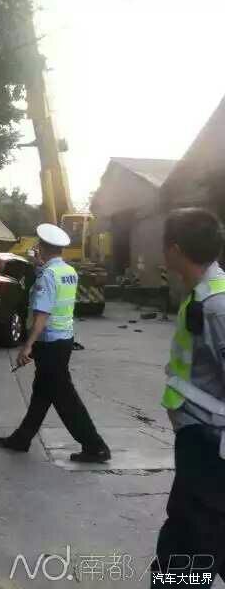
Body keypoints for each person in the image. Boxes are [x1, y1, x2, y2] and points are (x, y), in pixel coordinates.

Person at [152, 208, 225, 585]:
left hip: (209, 443)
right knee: (199, 530)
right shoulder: (203, 297)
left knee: (189, 540)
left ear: (176, 250)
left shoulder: (216, 307)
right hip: (199, 437)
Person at [0, 223, 110, 463]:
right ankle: (22, 438)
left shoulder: (48, 275)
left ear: (42, 248)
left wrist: (28, 346)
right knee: (42, 392)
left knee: (64, 397)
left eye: (38, 246)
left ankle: (95, 446)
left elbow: (42, 314)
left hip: (49, 343)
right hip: (63, 340)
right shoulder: (68, 271)